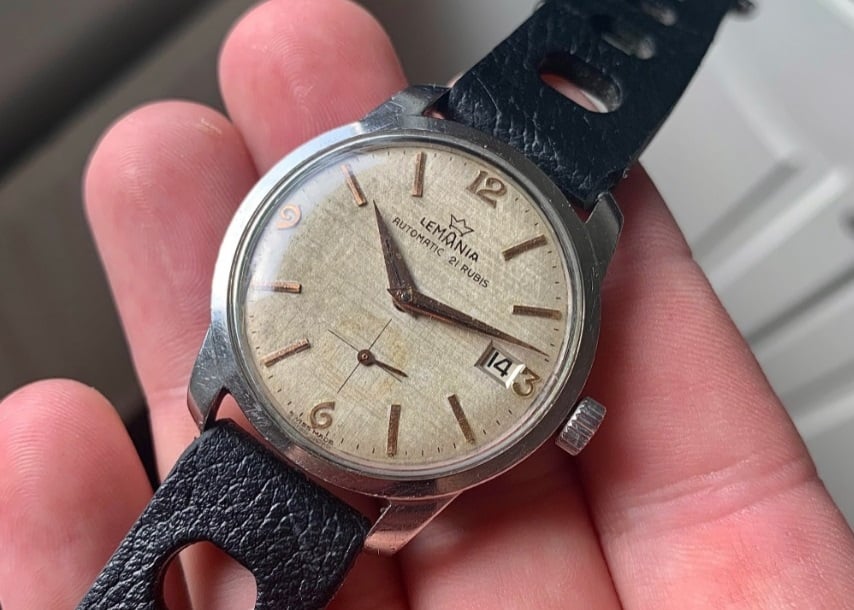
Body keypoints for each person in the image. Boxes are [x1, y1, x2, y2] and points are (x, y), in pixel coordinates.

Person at [2, 1, 853, 608]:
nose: (404, 301)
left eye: (407, 296)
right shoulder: (422, 139)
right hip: (270, 404)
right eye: (403, 292)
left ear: (563, 413)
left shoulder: (578, 231)